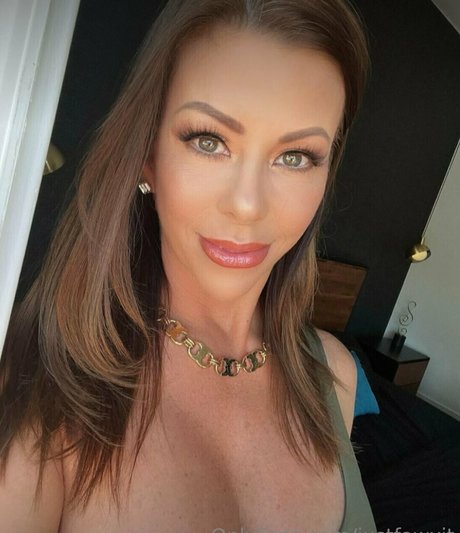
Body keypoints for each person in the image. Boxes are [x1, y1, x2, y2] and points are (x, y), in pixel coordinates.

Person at [0, 0, 376, 531]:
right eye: (209, 141)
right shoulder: (44, 390)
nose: (247, 205)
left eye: (295, 157)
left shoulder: (335, 377)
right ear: (148, 156)